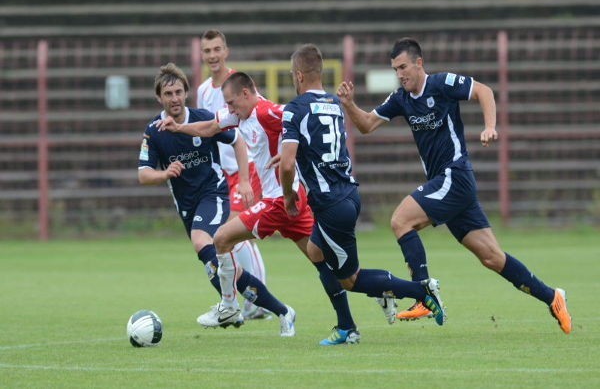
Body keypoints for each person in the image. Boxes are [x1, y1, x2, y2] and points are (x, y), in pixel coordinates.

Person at [336, 37, 572, 334]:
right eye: (395, 69)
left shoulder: (441, 83)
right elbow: (367, 125)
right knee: (492, 258)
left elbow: (483, 91)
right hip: (449, 185)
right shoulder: (401, 98)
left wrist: (490, 126)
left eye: (403, 67)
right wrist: (349, 105)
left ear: (419, 63)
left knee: (400, 221)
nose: (400, 74)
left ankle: (424, 292)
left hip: (454, 175)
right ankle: (552, 296)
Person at [160, 71, 383, 345]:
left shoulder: (268, 112)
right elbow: (209, 128)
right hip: (290, 202)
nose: (229, 110)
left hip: (281, 200)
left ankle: (229, 306)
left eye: (231, 103)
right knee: (321, 260)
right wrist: (179, 128)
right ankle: (352, 321)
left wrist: (296, 153)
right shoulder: (240, 114)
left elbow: (299, 119)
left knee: (221, 238)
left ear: (246, 94)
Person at [278, 43, 447, 340]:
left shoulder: (294, 110)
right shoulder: (333, 103)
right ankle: (346, 326)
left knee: (350, 280)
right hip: (347, 194)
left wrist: (289, 197)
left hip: (330, 204)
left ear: (298, 75)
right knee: (315, 251)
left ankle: (420, 292)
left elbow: (289, 163)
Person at [138, 63, 279, 329]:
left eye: (178, 92)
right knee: (220, 255)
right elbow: (143, 174)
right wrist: (165, 173)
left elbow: (236, 139)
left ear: (186, 93)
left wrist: (245, 182)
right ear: (159, 97)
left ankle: (229, 306)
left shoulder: (202, 118)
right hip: (187, 205)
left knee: (203, 240)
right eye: (168, 94)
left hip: (213, 193)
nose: (174, 98)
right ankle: (267, 307)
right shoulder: (154, 131)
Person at [196, 29, 269, 320]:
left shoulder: (240, 84)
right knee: (227, 236)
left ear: (226, 51)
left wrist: (247, 174)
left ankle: (258, 300)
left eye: (217, 49)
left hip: (247, 166)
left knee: (239, 232)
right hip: (221, 173)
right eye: (207, 51)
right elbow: (209, 131)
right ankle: (249, 301)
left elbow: (260, 112)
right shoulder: (202, 91)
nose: (212, 55)